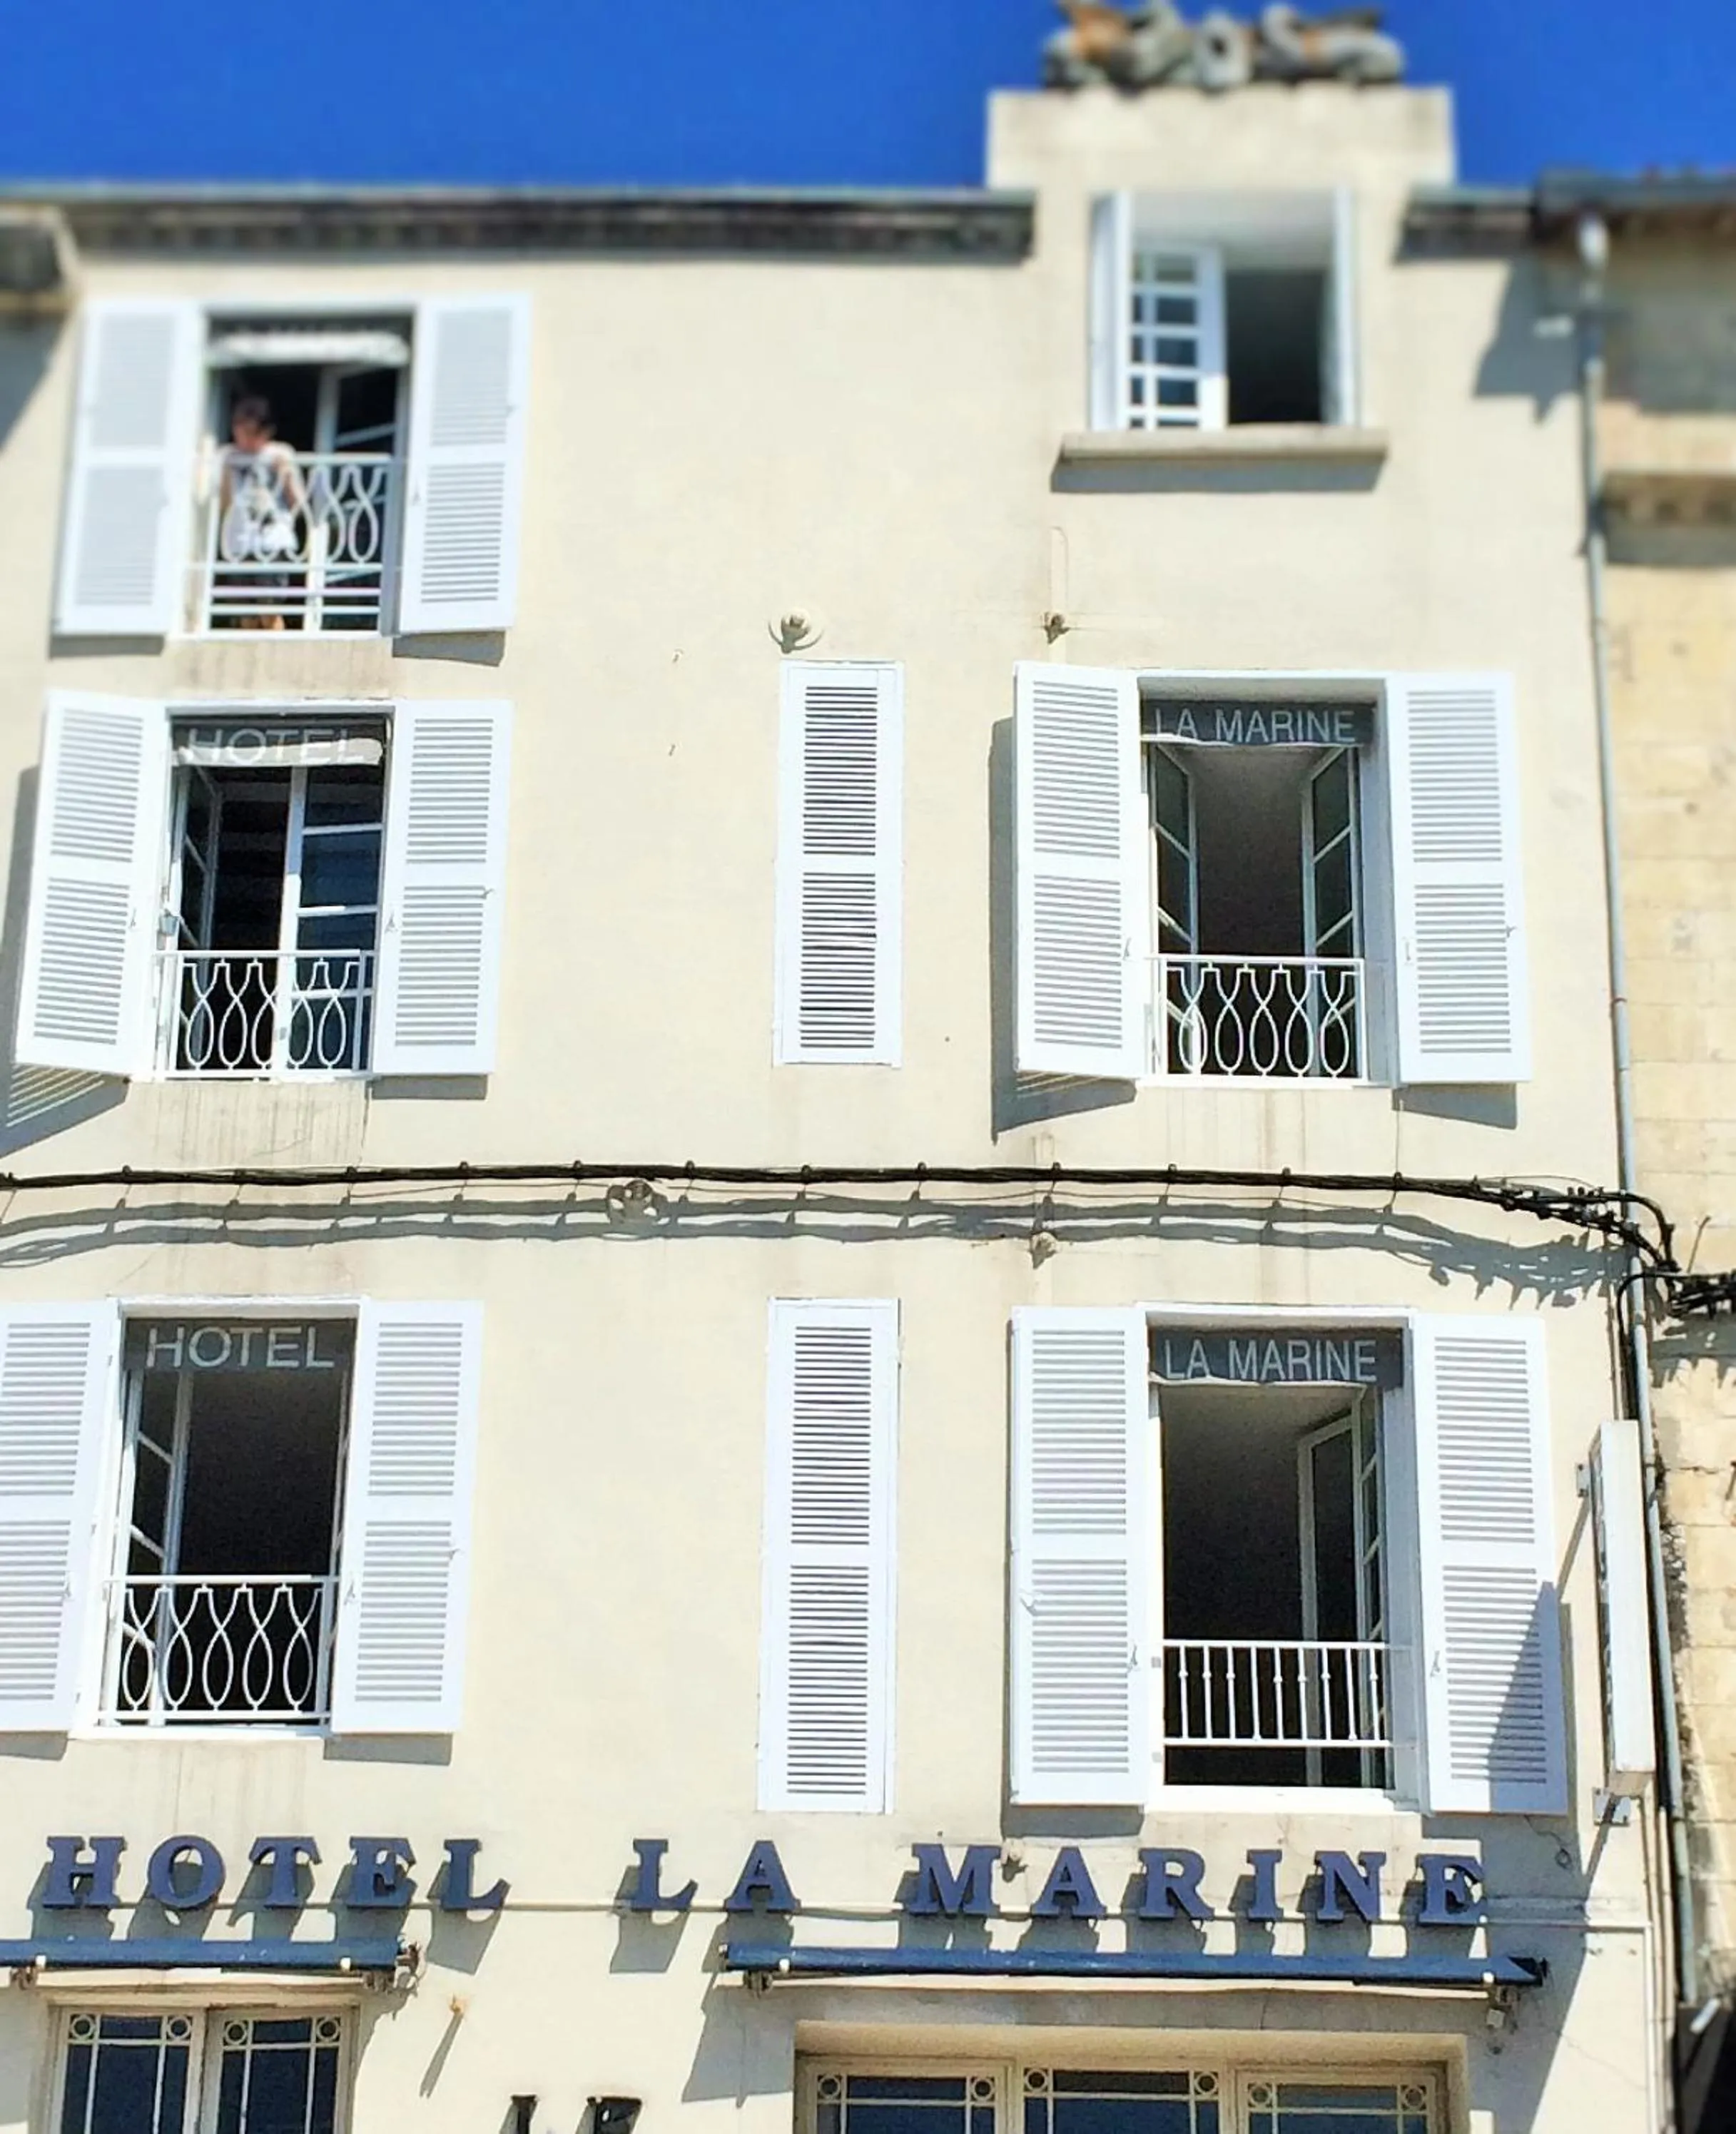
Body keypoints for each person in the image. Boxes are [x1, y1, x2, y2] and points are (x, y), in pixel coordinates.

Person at [217, 395, 306, 629]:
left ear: (266, 432)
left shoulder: (281, 453)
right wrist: (226, 473)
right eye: (240, 430)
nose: (245, 438)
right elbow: (224, 507)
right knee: (245, 614)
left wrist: (284, 473)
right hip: (239, 543)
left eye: (252, 432)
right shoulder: (228, 456)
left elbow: (298, 502)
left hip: (272, 541)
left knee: (270, 610)